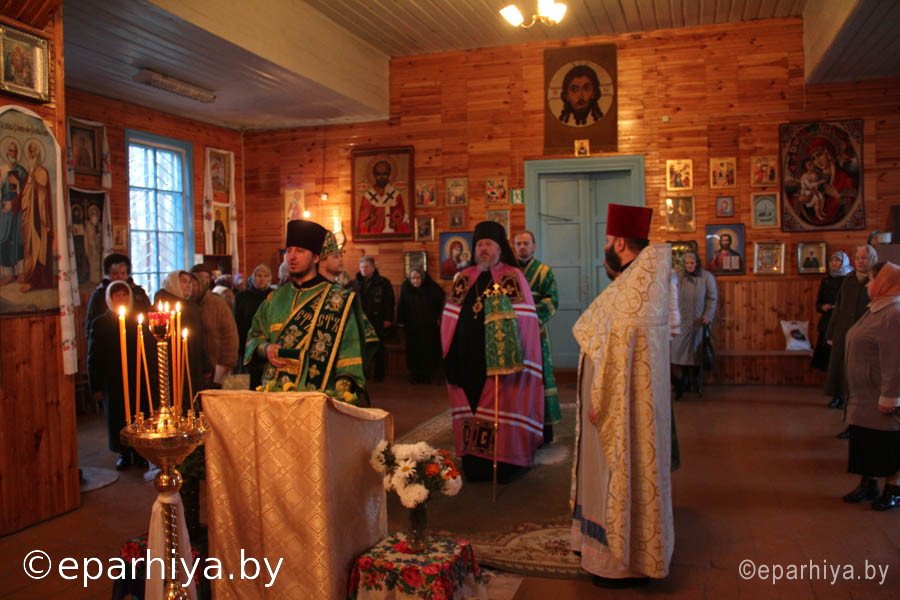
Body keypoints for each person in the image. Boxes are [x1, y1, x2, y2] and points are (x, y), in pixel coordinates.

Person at [570, 203, 674, 587]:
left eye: (607, 241)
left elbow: (617, 356)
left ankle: (618, 561)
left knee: (617, 473)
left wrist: (601, 400)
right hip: (625, 403)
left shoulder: (634, 291)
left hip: (619, 407)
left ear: (618, 243)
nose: (604, 249)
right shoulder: (640, 283)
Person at [442, 220, 543, 482]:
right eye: (479, 245)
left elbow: (525, 322)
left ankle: (505, 462)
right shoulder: (464, 278)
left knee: (501, 408)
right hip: (467, 360)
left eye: (489, 244)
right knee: (472, 407)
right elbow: (449, 319)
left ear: (500, 249)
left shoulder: (512, 277)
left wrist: (512, 355)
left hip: (499, 363)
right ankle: (474, 462)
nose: (484, 249)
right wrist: (450, 354)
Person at [244, 220, 369, 398]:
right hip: (274, 397)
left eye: (300, 251)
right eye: (289, 250)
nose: (292, 257)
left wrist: (339, 398)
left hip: (318, 398)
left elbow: (350, 357)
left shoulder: (339, 300)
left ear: (316, 258)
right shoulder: (274, 299)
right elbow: (254, 337)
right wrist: (266, 348)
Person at [841, 261, 900, 511]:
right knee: (867, 441)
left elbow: (895, 359)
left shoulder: (894, 313)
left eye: (873, 279)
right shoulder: (876, 307)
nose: (868, 284)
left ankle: (894, 488)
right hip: (864, 394)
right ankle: (868, 484)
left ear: (885, 283)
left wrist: (891, 396)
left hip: (879, 393)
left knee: (888, 443)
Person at [87, 281, 155, 470]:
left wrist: (150, 374)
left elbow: (148, 348)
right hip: (113, 379)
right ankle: (124, 453)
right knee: (118, 416)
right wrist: (96, 385)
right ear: (110, 298)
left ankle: (140, 453)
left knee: (139, 414)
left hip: (137, 376)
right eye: (117, 295)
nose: (121, 298)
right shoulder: (100, 323)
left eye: (125, 295)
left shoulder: (138, 321)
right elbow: (94, 355)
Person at [514, 230, 561, 443]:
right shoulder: (510, 272)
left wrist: (531, 318)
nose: (522, 247)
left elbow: (552, 300)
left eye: (526, 243)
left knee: (539, 374)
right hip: (513, 332)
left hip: (537, 331)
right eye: (518, 244)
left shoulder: (543, 271)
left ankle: (544, 430)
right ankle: (520, 427)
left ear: (534, 246)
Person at [826, 244, 876, 418]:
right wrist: (831, 332)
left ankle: (856, 404)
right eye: (857, 258)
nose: (860, 261)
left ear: (872, 259)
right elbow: (839, 306)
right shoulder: (848, 279)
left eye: (864, 258)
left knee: (860, 369)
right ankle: (839, 398)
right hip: (844, 329)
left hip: (865, 330)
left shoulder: (876, 279)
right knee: (840, 365)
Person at [670, 251, 717, 399]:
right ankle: (680, 385)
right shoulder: (677, 276)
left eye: (692, 263)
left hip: (698, 323)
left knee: (696, 355)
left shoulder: (706, 277)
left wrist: (707, 316)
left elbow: (712, 298)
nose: (689, 266)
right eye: (687, 263)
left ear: (697, 263)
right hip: (681, 323)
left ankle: (695, 384)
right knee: (677, 355)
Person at [190, 263, 239, 388]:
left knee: (218, 396)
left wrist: (226, 366)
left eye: (205, 278)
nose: (201, 282)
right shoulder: (187, 304)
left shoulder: (217, 303)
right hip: (196, 369)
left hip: (218, 365)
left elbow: (230, 336)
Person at [84, 253, 152, 340]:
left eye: (123, 273)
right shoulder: (99, 295)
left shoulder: (138, 293)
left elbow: (148, 316)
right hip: (107, 339)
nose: (119, 276)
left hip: (135, 338)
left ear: (127, 275)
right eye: (115, 273)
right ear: (108, 275)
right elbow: (90, 324)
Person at [396, 267, 444, 384]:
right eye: (413, 278)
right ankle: (415, 374)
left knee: (428, 351)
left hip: (429, 327)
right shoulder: (406, 288)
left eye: (418, 278)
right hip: (412, 327)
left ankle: (427, 375)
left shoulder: (432, 288)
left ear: (423, 278)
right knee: (413, 351)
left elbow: (440, 303)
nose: (415, 281)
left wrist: (436, 318)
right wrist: (400, 321)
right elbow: (401, 305)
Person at [351, 256, 395, 382]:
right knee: (361, 348)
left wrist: (388, 318)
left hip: (377, 319)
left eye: (366, 267)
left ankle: (379, 375)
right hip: (360, 320)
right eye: (361, 267)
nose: (363, 269)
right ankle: (363, 374)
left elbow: (389, 302)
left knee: (379, 348)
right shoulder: (354, 283)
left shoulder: (383, 282)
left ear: (373, 268)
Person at [18, 141, 53, 292]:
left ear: (39, 155)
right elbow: (25, 196)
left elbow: (42, 192)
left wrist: (34, 178)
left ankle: (36, 281)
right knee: (30, 249)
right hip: (30, 217)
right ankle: (29, 277)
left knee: (39, 248)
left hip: (39, 217)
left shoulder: (42, 172)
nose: (33, 155)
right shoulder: (30, 174)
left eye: (35, 152)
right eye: (30, 153)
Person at [812, 252, 851, 384]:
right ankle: (831, 387)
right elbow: (818, 303)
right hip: (827, 322)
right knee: (827, 358)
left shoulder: (849, 279)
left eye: (837, 260)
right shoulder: (826, 280)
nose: (834, 263)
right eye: (832, 260)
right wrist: (823, 307)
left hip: (843, 322)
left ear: (843, 262)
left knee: (841, 357)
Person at [234, 264, 273, 388]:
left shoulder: (274, 296)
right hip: (246, 345)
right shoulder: (242, 297)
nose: (262, 279)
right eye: (259, 276)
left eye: (266, 276)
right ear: (253, 277)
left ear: (270, 279)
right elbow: (236, 321)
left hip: (268, 346)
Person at [357, 160, 410, 235]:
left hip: (392, 236)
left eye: (385, 174)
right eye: (378, 174)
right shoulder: (368, 197)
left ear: (389, 174)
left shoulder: (396, 195)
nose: (381, 177)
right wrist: (371, 221)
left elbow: (403, 219)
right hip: (374, 236)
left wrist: (396, 224)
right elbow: (361, 225)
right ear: (374, 175)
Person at [0, 140, 26, 286]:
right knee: (3, 239)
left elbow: (25, 193)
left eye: (15, 150)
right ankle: (9, 274)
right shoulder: (2, 170)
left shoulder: (22, 171)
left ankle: (21, 272)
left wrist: (17, 186)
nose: (13, 153)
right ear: (6, 153)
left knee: (18, 239)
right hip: (4, 210)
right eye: (10, 150)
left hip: (17, 210)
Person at [85, 204, 102, 283]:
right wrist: (92, 244)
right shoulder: (89, 226)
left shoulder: (100, 225)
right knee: (93, 264)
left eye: (96, 214)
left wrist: (98, 236)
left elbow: (101, 235)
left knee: (98, 264)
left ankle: (99, 279)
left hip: (99, 247)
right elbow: (88, 237)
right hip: (92, 248)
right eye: (93, 214)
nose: (94, 216)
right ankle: (93, 279)